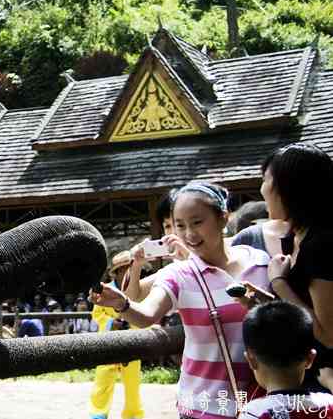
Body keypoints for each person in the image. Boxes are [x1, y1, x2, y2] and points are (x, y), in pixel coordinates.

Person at [90, 181, 271, 419]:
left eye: (197, 222)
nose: (189, 234)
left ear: (223, 218)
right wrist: (120, 304)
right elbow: (146, 315)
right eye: (179, 226)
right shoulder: (178, 274)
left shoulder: (259, 262)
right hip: (200, 407)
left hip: (260, 402)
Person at [259, 143, 333, 390]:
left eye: (266, 180)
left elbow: (328, 334)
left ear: (290, 187)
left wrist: (279, 283)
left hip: (324, 380)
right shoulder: (296, 235)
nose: (262, 190)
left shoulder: (322, 243)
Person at [238, 301, 333, 418]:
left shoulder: (254, 412)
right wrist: (330, 381)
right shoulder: (327, 403)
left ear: (251, 360)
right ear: (310, 358)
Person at [89, 251, 144, 419]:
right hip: (108, 343)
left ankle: (133, 415)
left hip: (131, 342)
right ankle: (98, 414)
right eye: (126, 268)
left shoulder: (139, 289)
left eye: (131, 268)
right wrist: (112, 323)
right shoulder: (104, 290)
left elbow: (143, 313)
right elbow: (97, 315)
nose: (129, 271)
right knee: (103, 380)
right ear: (118, 271)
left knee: (132, 383)